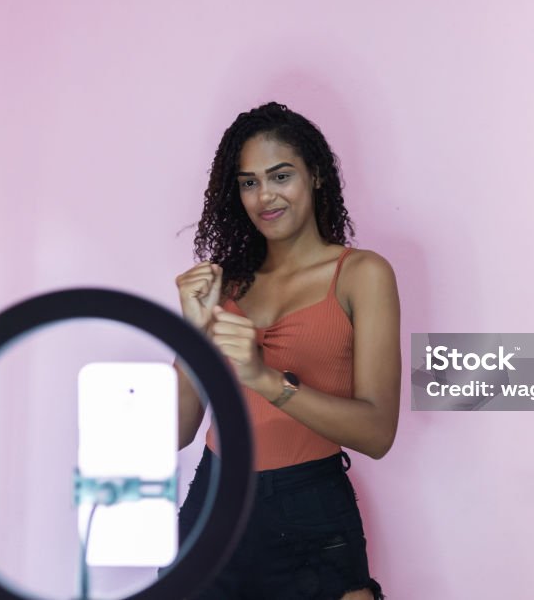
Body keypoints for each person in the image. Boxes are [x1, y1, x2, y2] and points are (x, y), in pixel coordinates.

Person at [171, 102, 400, 599]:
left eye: (280, 176)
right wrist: (193, 331)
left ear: (315, 175)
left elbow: (378, 433)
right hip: (213, 503)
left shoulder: (362, 275)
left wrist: (266, 379)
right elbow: (175, 432)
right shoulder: (225, 283)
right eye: (248, 181)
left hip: (310, 510)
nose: (264, 196)